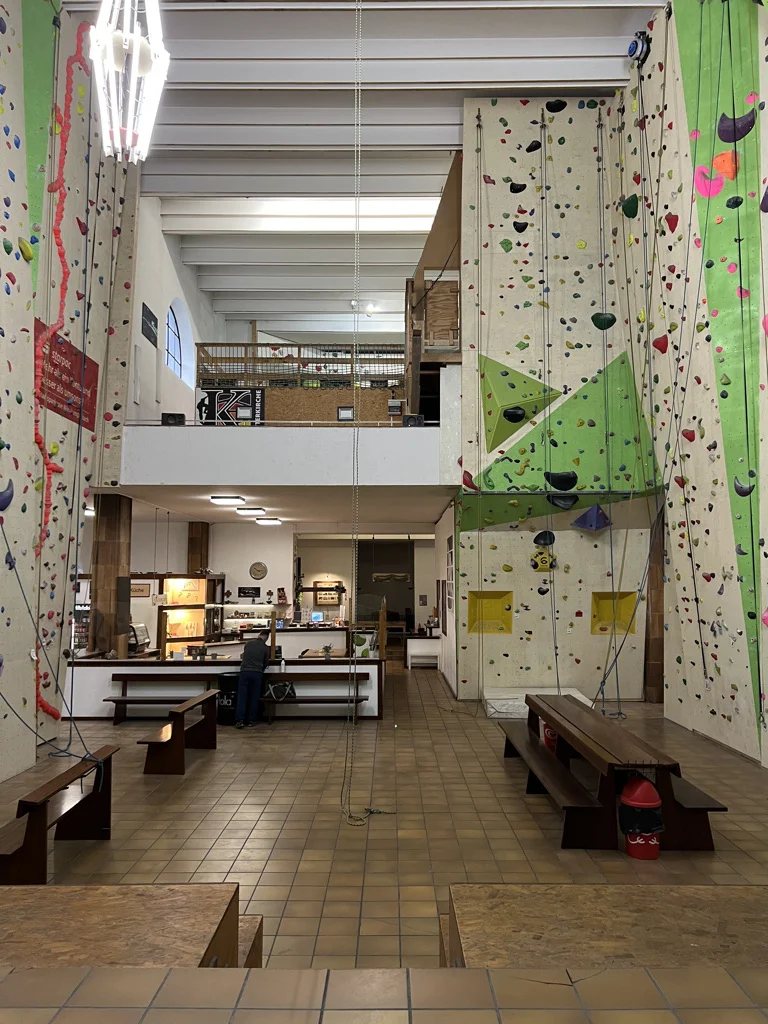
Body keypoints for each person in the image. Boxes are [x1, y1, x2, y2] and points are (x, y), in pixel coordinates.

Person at [235, 629, 270, 728]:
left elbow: (244, 656)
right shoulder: (265, 648)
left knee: (242, 697)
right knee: (254, 697)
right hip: (256, 673)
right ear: (266, 637)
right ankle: (251, 720)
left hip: (244, 672)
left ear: (259, 635)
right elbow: (266, 663)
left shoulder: (248, 644)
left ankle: (240, 720)